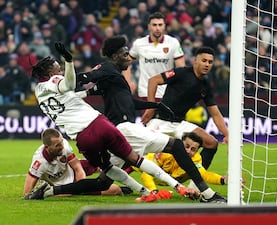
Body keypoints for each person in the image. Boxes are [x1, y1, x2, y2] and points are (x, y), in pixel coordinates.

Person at [26, 42, 190, 203]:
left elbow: (72, 97)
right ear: (49, 73)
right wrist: (69, 61)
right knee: (135, 159)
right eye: (58, 68)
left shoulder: (40, 93)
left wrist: (91, 91)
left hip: (82, 138)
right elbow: (69, 84)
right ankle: (177, 187)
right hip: (98, 125)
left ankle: (145, 192)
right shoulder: (54, 81)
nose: (60, 71)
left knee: (107, 170)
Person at [77, 36, 226, 203]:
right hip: (139, 125)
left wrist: (155, 105)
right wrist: (64, 81)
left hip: (160, 125)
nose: (129, 58)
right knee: (164, 149)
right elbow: (86, 77)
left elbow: (128, 101)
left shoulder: (116, 77)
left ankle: (53, 190)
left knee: (103, 181)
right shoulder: (110, 69)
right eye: (125, 54)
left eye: (210, 62)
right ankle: (202, 193)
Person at [141, 46, 229, 170]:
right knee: (135, 152)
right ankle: (106, 182)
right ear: (195, 61)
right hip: (160, 121)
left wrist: (227, 134)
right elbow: (153, 80)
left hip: (179, 125)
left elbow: (215, 113)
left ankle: (196, 185)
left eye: (210, 62)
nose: (207, 64)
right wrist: (150, 107)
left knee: (211, 143)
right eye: (204, 60)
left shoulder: (206, 85)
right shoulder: (180, 73)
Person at [23, 128, 131, 198]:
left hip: (71, 171)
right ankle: (122, 188)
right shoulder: (39, 163)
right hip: (64, 185)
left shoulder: (64, 145)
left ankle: (130, 167)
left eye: (61, 142)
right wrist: (78, 188)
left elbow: (77, 167)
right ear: (47, 147)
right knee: (115, 190)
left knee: (101, 163)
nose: (62, 147)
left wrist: (81, 184)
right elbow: (26, 194)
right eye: (57, 145)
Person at [135, 132, 227, 191]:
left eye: (193, 149)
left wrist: (223, 180)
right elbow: (146, 173)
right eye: (186, 146)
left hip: (165, 180)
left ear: (196, 152)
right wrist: (153, 191)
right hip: (135, 163)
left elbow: (203, 174)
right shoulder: (166, 153)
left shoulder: (196, 159)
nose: (188, 151)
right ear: (180, 144)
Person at [124, 11, 185, 97]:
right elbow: (125, 63)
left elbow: (181, 68)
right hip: (145, 93)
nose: (157, 28)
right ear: (149, 26)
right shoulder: (139, 43)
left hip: (166, 94)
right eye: (154, 25)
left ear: (164, 26)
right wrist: (128, 82)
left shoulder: (173, 43)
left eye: (160, 25)